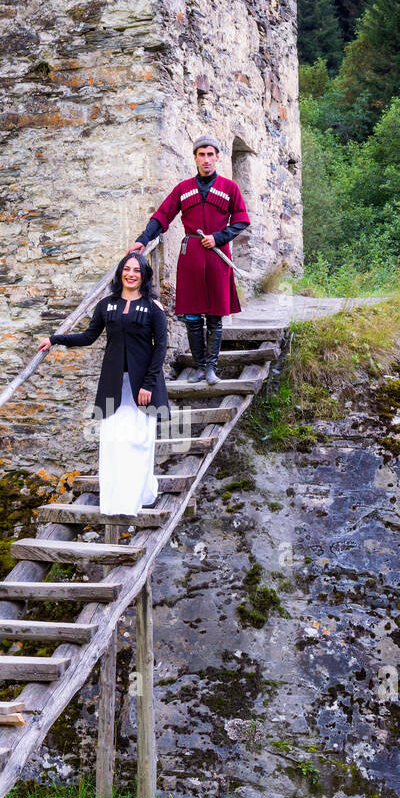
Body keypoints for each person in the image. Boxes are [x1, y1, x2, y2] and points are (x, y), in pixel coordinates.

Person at [37, 252, 168, 517]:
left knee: (138, 441)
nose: (131, 274)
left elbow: (160, 347)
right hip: (113, 385)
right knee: (114, 442)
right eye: (127, 269)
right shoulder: (107, 305)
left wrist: (148, 384)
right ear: (120, 272)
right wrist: (56, 339)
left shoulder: (154, 308)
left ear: (144, 276)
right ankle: (116, 502)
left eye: (137, 270)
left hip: (143, 387)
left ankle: (137, 497)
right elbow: (88, 336)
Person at [129, 134, 250, 384]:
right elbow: (162, 216)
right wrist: (143, 239)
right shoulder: (183, 189)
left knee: (215, 316)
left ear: (217, 157)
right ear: (195, 158)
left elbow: (240, 220)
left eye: (210, 155)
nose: (206, 160)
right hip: (191, 257)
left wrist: (219, 237)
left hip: (218, 257)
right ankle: (199, 366)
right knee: (193, 317)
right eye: (201, 155)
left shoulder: (230, 188)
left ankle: (211, 369)